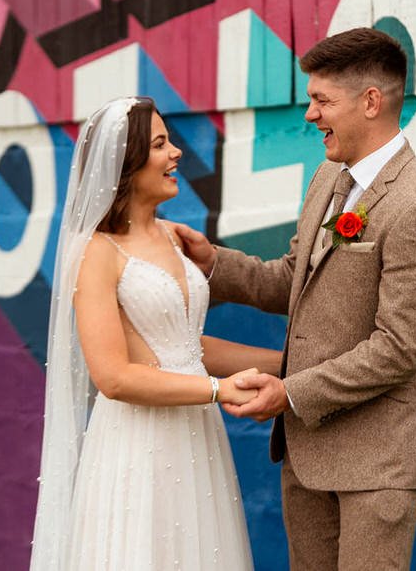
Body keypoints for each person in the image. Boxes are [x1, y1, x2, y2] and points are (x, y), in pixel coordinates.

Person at [173, 27, 416, 571]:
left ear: (371, 102)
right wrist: (214, 262)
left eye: (322, 100)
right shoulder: (329, 178)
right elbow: (295, 281)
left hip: (377, 465)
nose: (311, 115)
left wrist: (289, 393)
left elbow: (399, 349)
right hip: (308, 452)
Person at [29, 96, 279, 571]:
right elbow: (114, 377)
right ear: (127, 164)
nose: (176, 153)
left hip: (196, 437)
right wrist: (218, 390)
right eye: (161, 144)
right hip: (136, 446)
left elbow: (184, 346)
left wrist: (289, 363)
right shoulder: (96, 253)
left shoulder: (172, 236)